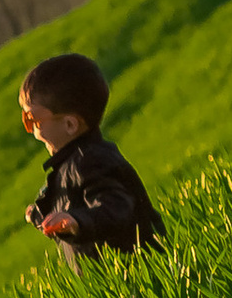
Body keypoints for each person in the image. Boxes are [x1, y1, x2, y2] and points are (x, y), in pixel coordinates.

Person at [18, 50, 165, 259]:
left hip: (135, 275)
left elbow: (116, 207)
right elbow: (64, 204)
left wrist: (77, 221)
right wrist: (39, 215)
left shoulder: (92, 161)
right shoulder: (69, 165)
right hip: (111, 283)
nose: (29, 128)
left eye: (33, 119)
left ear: (70, 124)